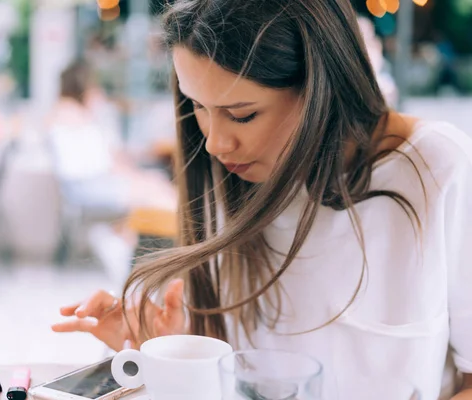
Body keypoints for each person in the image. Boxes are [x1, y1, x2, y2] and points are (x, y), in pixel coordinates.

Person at [52, 1, 472, 398]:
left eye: (242, 115)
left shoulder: (440, 168)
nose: (215, 143)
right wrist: (174, 347)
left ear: (323, 86)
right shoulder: (230, 176)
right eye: (198, 106)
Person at [48, 59, 176, 285]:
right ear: (85, 87)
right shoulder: (75, 114)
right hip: (88, 186)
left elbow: (108, 160)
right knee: (160, 193)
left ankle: (119, 237)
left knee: (158, 188)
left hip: (91, 182)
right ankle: (119, 240)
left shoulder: (68, 113)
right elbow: (104, 161)